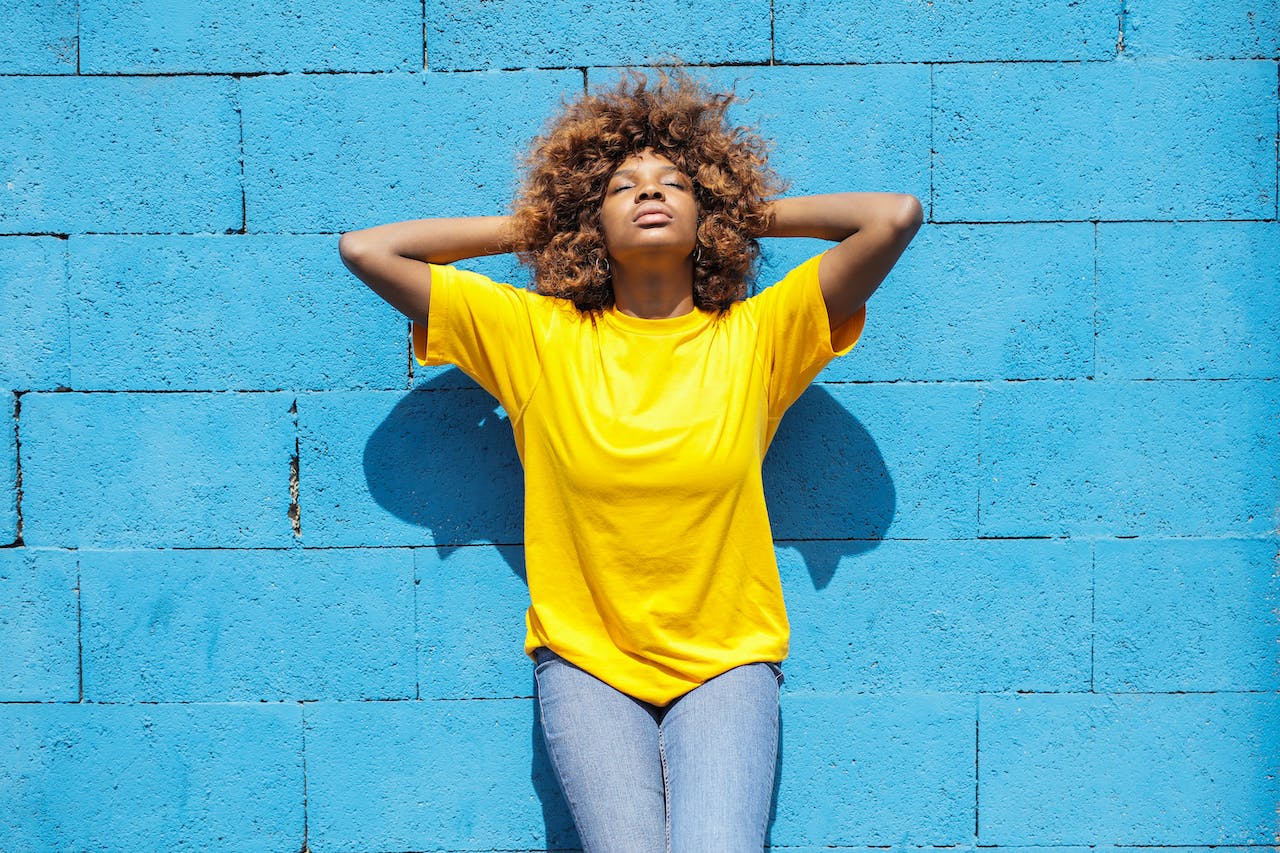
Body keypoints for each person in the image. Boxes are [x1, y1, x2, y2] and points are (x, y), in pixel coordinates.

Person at [339, 67, 922, 853]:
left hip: (726, 661)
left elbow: (892, 218)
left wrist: (742, 213)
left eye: (676, 184)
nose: (652, 193)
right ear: (591, 218)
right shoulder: (534, 337)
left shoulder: (757, 337)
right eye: (623, 187)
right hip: (587, 663)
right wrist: (540, 226)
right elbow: (368, 250)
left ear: (704, 213)